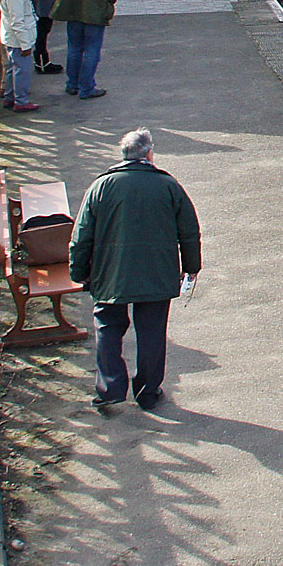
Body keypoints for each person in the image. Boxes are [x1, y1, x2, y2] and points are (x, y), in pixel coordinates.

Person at [69, 128, 201, 414]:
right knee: (152, 331)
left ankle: (110, 389)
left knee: (107, 325)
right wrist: (191, 268)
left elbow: (81, 236)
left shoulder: (100, 186)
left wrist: (78, 271)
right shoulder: (168, 185)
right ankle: (148, 392)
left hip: (109, 273)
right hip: (157, 272)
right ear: (149, 154)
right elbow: (189, 231)